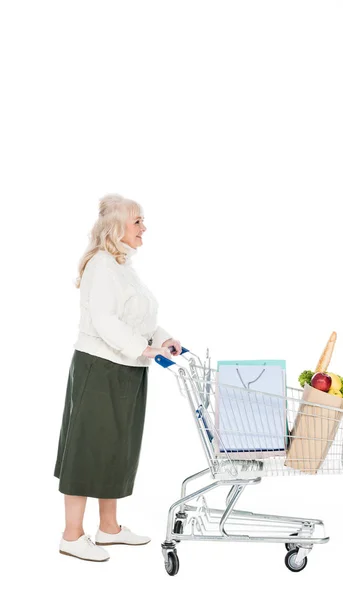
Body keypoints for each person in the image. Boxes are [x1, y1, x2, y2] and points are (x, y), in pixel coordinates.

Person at [53, 193, 181, 562]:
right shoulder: (101, 266)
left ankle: (108, 528)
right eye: (137, 221)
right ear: (116, 227)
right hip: (100, 368)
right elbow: (107, 322)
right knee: (87, 448)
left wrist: (162, 340)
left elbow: (138, 320)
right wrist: (143, 348)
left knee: (115, 448)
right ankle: (71, 535)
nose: (144, 228)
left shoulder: (122, 265)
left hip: (127, 370)